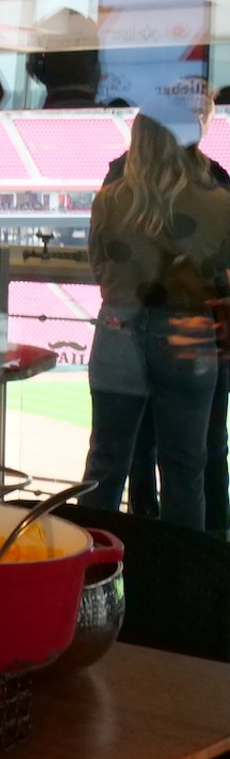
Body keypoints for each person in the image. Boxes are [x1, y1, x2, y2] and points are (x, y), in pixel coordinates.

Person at [80, 88, 230, 531]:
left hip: (117, 326)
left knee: (105, 466)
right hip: (190, 334)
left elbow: (100, 268)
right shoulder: (220, 204)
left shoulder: (109, 199)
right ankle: (182, 588)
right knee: (186, 469)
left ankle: (91, 578)